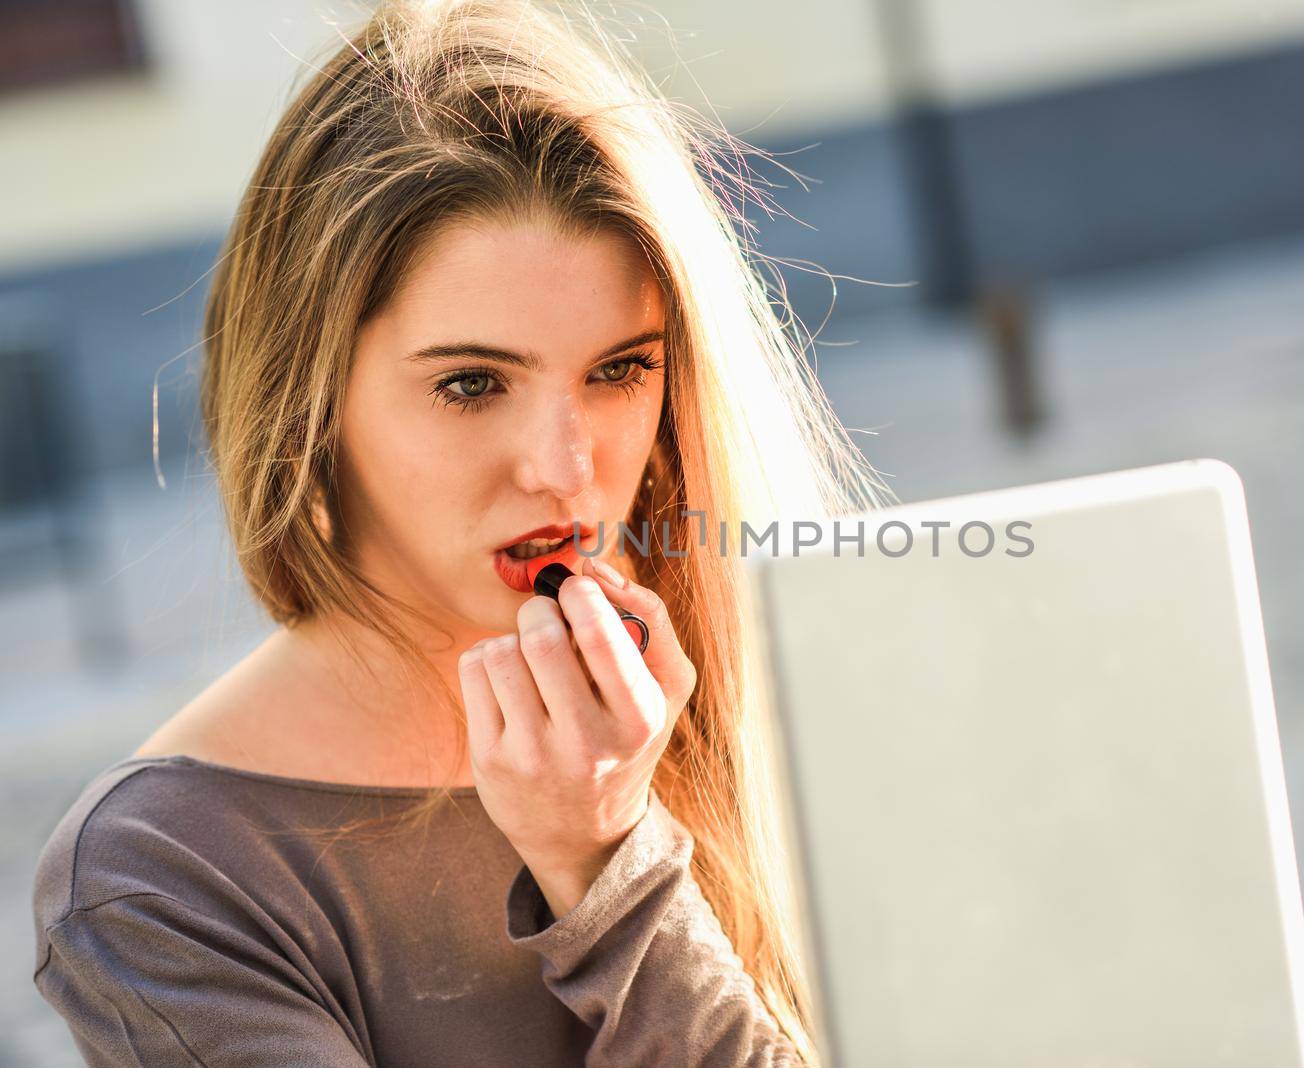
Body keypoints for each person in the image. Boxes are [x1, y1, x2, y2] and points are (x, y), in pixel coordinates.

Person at [30, 1, 891, 1064]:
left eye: (620, 370)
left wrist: (613, 850)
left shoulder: (761, 686)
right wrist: (614, 883)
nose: (564, 470)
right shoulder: (161, 874)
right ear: (307, 400)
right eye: (472, 384)